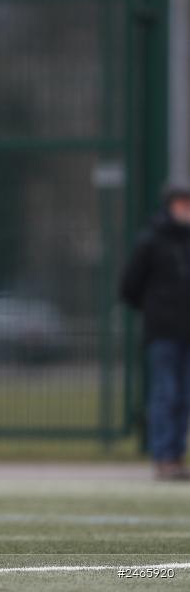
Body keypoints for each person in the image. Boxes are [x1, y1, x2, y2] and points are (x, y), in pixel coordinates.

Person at [121, 183, 190, 481]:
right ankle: (162, 457)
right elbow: (129, 287)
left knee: (185, 396)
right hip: (163, 332)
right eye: (182, 203)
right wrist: (156, 310)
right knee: (166, 393)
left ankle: (175, 456)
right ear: (170, 205)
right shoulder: (151, 242)